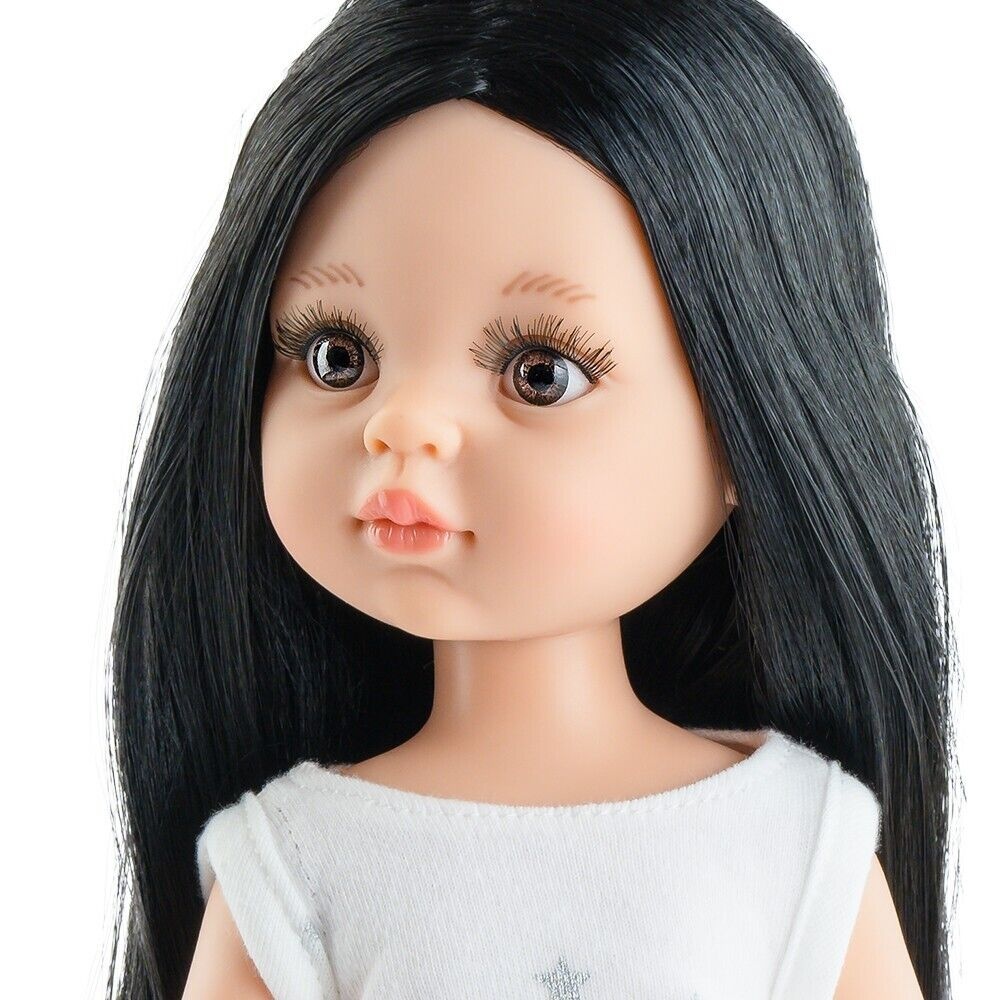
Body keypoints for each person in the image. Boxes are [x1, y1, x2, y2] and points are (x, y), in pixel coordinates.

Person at [102, 2, 955, 998]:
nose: (402, 425)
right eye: (338, 355)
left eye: (540, 373)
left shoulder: (796, 844)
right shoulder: (295, 864)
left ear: (749, 418)